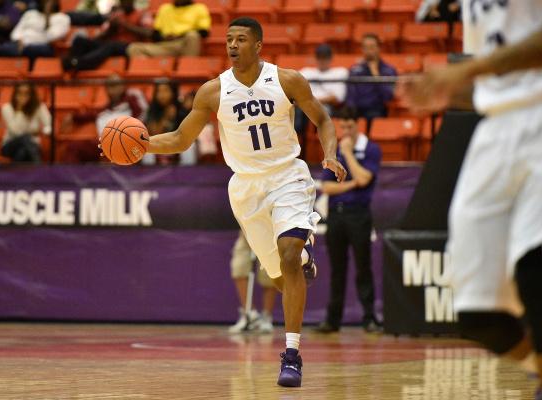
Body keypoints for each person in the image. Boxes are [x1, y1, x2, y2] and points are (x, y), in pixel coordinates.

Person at [102, 17, 347, 387]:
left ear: (258, 45)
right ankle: (303, 262)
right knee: (283, 278)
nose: (232, 45)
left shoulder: (287, 80)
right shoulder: (213, 92)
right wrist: (143, 143)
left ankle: (292, 356)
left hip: (287, 176)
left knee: (289, 250)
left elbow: (323, 119)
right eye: (229, 39)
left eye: (241, 39)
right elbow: (182, 139)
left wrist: (329, 153)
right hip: (245, 187)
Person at [397, 1, 542, 399]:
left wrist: (465, 70)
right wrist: (444, 90)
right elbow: (501, 73)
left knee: (538, 274)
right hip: (496, 128)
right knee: (478, 313)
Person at [314, 107, 382, 334]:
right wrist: (352, 184)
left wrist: (349, 154)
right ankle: (333, 321)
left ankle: (370, 318)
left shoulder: (370, 148)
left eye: (350, 126)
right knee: (337, 269)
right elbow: (327, 186)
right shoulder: (334, 151)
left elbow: (365, 178)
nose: (346, 130)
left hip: (359, 214)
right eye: (342, 126)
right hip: (336, 215)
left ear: (358, 124)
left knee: (363, 267)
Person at [62, 74, 148, 163]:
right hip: (104, 144)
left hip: (127, 141)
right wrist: (73, 117)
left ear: (123, 85)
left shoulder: (132, 98)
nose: (113, 90)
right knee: (73, 147)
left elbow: (144, 113)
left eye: (116, 85)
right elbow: (90, 114)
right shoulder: (104, 110)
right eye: (110, 86)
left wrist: (130, 134)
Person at [62, 0, 153, 72]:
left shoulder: (142, 14)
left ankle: (80, 63)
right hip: (110, 44)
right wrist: (111, 30)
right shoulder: (117, 15)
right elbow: (101, 36)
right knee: (80, 40)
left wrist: (125, 25)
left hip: (129, 47)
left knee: (111, 45)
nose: (124, 2)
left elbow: (149, 33)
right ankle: (71, 62)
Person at [296, 43, 348, 157]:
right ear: (316, 58)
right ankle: (298, 145)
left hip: (327, 108)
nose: (322, 60)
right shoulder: (306, 72)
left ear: (330, 58)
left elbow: (337, 98)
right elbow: (296, 93)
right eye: (320, 57)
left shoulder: (339, 72)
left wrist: (311, 100)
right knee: (296, 111)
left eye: (325, 57)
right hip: (305, 106)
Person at [345, 33, 397, 132]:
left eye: (372, 47)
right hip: (356, 111)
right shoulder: (355, 70)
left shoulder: (388, 70)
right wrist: (350, 113)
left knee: (373, 115)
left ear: (379, 48)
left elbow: (388, 96)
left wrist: (376, 74)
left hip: (376, 110)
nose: (368, 51)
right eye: (365, 47)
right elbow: (350, 95)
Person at [229, 231, 277, 334]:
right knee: (239, 267)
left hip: (269, 230)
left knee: (270, 272)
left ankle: (266, 317)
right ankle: (250, 314)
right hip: (246, 229)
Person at [127, 0, 210, 57]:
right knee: (134, 48)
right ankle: (155, 77)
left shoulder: (199, 8)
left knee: (193, 35)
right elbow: (156, 34)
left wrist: (179, 36)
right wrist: (164, 38)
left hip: (184, 44)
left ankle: (187, 68)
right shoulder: (165, 8)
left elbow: (204, 32)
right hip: (166, 44)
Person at [0, 0, 70, 62]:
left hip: (43, 46)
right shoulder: (30, 13)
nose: (46, 3)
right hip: (20, 44)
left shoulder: (62, 18)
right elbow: (16, 31)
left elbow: (52, 37)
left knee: (31, 50)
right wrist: (19, 40)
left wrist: (47, 19)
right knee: (1, 48)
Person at [0, 82, 51, 163]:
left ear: (32, 95)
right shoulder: (6, 108)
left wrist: (42, 132)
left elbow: (49, 126)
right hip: (10, 145)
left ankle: (16, 174)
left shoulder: (39, 107)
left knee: (22, 152)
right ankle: (39, 167)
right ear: (15, 94)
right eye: (19, 93)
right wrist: (20, 109)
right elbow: (15, 132)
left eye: (26, 93)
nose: (23, 96)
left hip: (32, 146)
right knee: (25, 138)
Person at [144, 80, 187, 165]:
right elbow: (153, 132)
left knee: (190, 146)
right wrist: (166, 118)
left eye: (166, 90)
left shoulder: (180, 108)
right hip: (159, 142)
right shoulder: (152, 109)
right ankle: (149, 175)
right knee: (145, 146)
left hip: (177, 142)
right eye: (159, 91)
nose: (162, 95)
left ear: (173, 92)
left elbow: (186, 132)